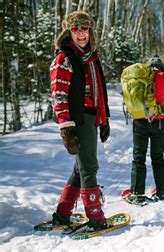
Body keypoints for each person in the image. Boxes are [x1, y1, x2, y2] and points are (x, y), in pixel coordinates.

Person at [48, 11, 111, 230]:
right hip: (77, 119)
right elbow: (58, 95)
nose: (81, 34)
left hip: (91, 117)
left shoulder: (91, 58)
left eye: (84, 29)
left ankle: (63, 213)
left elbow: (99, 91)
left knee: (80, 168)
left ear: (89, 31)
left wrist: (104, 120)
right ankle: (95, 217)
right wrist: (66, 127)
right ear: (69, 31)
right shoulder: (64, 58)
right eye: (76, 29)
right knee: (89, 166)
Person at [123, 56, 164, 205]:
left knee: (138, 157)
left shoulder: (139, 77)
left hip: (139, 120)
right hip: (158, 121)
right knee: (157, 157)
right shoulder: (162, 76)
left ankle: (136, 193)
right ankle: (162, 192)